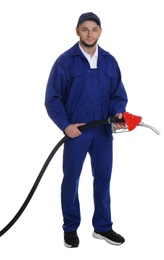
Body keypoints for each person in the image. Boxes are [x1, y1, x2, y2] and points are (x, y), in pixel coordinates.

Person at [45, 12, 128, 248]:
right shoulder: (65, 61)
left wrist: (118, 112)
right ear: (77, 31)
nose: (89, 34)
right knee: (71, 179)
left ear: (100, 31)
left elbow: (118, 95)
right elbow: (52, 99)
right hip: (77, 131)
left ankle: (103, 227)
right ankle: (70, 228)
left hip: (103, 131)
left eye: (94, 29)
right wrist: (65, 125)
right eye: (85, 29)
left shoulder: (110, 61)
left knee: (103, 178)